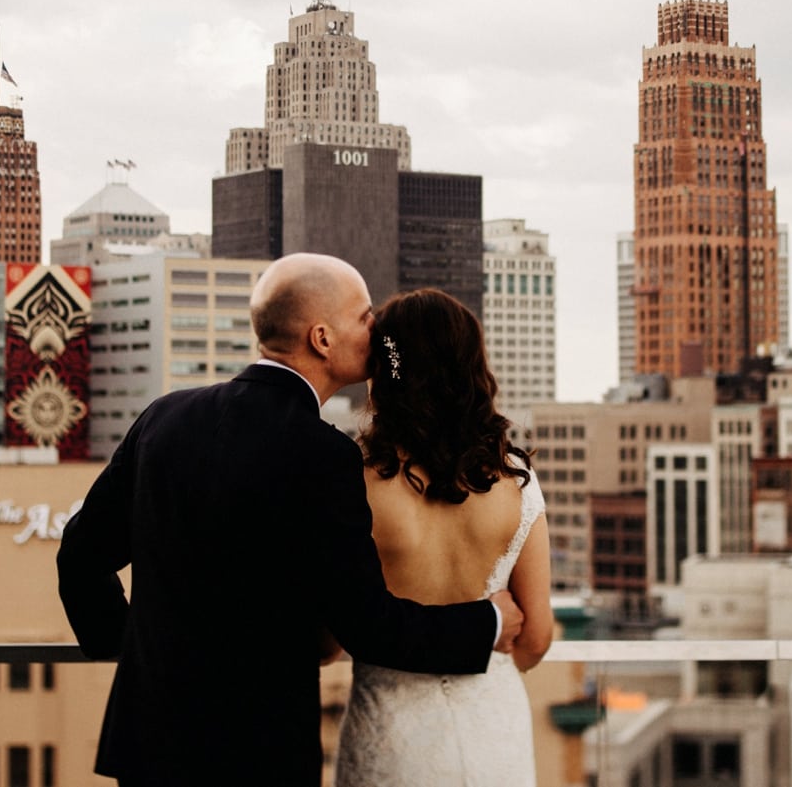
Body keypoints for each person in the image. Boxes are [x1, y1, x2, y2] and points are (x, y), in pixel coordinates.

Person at [57, 254, 524, 787]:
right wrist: (486, 623)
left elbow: (81, 553)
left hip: (149, 744)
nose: (378, 331)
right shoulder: (323, 456)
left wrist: (127, 647)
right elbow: (368, 627)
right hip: (259, 754)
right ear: (322, 338)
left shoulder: (164, 417)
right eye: (365, 317)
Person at [334, 288, 553, 787]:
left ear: (383, 373)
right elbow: (536, 637)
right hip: (494, 733)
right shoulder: (512, 476)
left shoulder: (355, 480)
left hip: (391, 738)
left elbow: (329, 636)